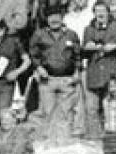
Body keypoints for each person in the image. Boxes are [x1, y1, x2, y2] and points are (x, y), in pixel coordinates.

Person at [30, 7, 82, 140]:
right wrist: (39, 67)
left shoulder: (71, 35)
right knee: (48, 113)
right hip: (48, 80)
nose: (54, 19)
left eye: (57, 16)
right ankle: (50, 144)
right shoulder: (39, 35)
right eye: (51, 17)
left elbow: (77, 56)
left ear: (62, 18)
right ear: (47, 19)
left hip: (67, 80)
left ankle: (64, 143)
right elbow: (33, 54)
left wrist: (77, 73)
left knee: (66, 113)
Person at [82, 2, 116, 137]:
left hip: (112, 73)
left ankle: (113, 136)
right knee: (92, 108)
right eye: (97, 11)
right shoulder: (88, 29)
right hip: (95, 74)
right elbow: (83, 51)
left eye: (102, 10)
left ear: (108, 12)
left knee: (111, 107)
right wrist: (87, 48)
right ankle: (94, 137)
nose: (100, 14)